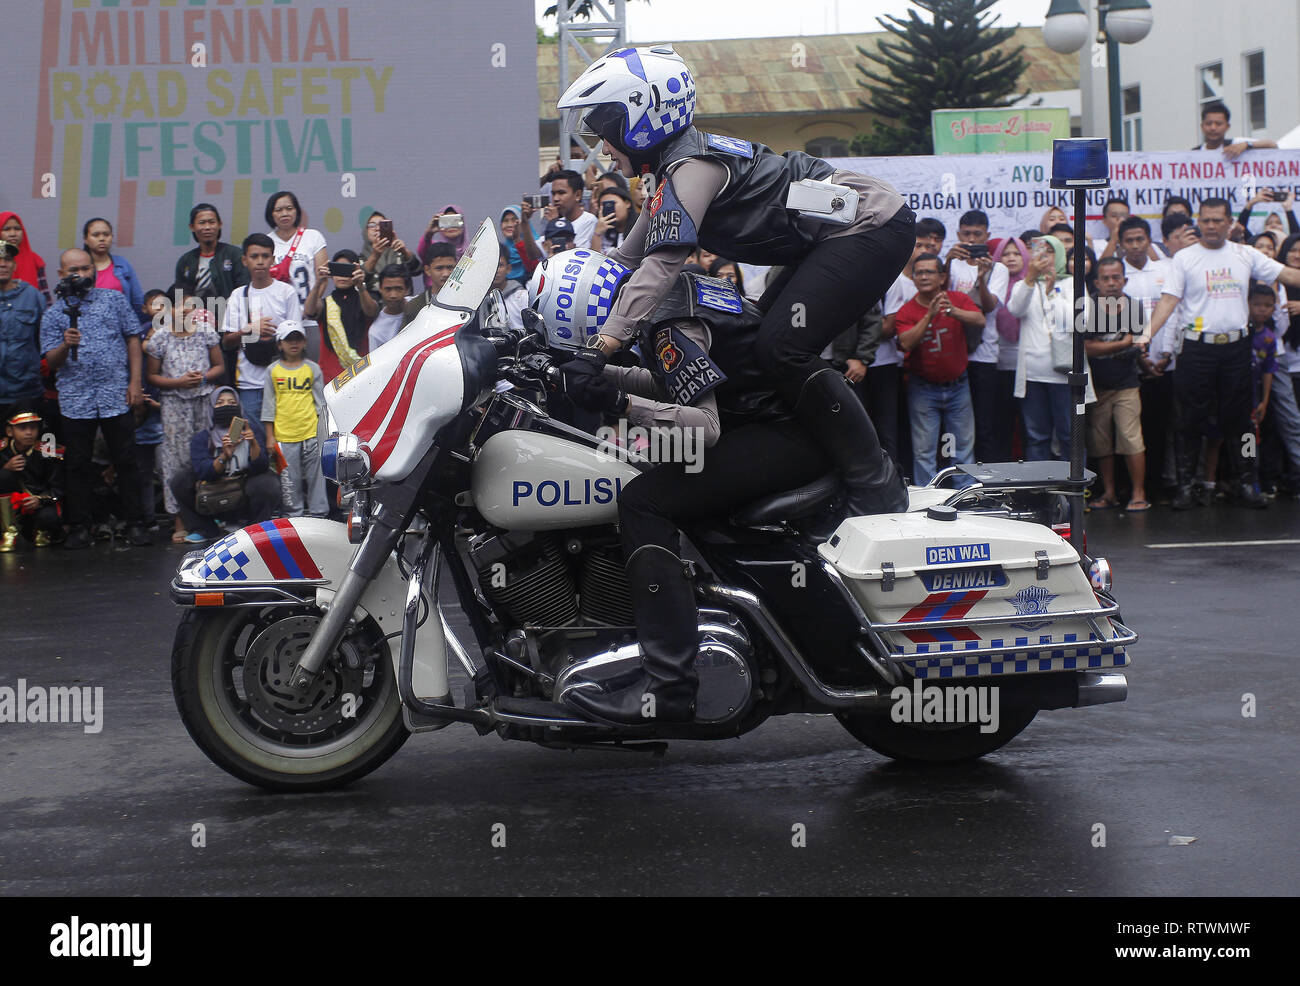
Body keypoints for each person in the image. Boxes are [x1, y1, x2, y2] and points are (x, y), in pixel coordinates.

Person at [557, 44, 913, 517]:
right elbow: (623, 260)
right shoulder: (670, 174)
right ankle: (806, 468)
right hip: (831, 237)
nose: (601, 147)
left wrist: (599, 349)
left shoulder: (692, 170)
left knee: (780, 349)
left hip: (872, 224)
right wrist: (554, 323)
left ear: (642, 118)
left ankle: (876, 484)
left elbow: (662, 263)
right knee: (761, 343)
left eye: (606, 131)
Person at [529, 250, 830, 725]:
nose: (593, 346)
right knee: (638, 465)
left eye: (584, 341)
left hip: (780, 434)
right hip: (769, 420)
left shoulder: (669, 325)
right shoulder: (668, 295)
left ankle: (669, 685)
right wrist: (588, 374)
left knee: (643, 501)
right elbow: (672, 382)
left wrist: (618, 402)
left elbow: (702, 427)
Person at [1147, 198, 1300, 509]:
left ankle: (1247, 483)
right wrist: (1145, 334)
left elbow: (1291, 276)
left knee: (1242, 421)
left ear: (1230, 222)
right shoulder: (1185, 257)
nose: (1212, 226)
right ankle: (1186, 487)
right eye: (1206, 220)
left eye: (1218, 220)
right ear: (1198, 222)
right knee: (1189, 420)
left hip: (1236, 348)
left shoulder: (1245, 254)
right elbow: (1168, 300)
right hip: (1196, 348)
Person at [39, 249, 150, 548]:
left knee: (126, 460)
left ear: (94, 271)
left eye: (86, 268)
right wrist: (65, 344)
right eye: (73, 269)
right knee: (77, 464)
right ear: (61, 274)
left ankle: (136, 523)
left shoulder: (114, 300)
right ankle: (79, 526)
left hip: (116, 392)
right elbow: (51, 360)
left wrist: (135, 382)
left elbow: (133, 337)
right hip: (76, 399)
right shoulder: (53, 313)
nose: (80, 274)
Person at [895, 254, 983, 484]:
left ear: (942, 277)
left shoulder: (957, 299)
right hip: (923, 389)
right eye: (919, 272)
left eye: (930, 272)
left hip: (958, 386)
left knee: (962, 448)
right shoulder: (907, 310)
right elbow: (905, 342)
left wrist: (952, 311)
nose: (924, 276)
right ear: (913, 278)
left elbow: (979, 319)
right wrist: (930, 316)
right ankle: (928, 503)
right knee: (924, 452)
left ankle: (964, 500)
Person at [145, 291, 224, 542]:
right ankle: (179, 520)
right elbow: (152, 377)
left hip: (203, 399)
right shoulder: (160, 338)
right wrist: (178, 382)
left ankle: (211, 514)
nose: (185, 311)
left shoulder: (205, 332)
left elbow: (220, 367)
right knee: (174, 459)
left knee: (206, 454)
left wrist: (202, 378)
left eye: (191, 306)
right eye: (180, 306)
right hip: (173, 403)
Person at [1006, 236, 1094, 461]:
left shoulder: (1074, 283)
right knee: (1037, 438)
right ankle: (1038, 496)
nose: (1043, 255)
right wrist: (1030, 278)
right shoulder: (1024, 283)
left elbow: (1077, 321)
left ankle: (1073, 495)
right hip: (1033, 378)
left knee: (1069, 436)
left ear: (1060, 254)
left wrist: (1052, 292)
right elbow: (1015, 309)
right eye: (1037, 250)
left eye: (1049, 251)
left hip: (1065, 377)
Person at [170, 386, 279, 543]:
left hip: (243, 491)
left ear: (239, 406)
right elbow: (204, 472)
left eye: (231, 402)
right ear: (211, 407)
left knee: (268, 483)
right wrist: (225, 455)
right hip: (214, 493)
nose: (226, 406)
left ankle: (254, 529)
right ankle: (204, 529)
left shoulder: (252, 430)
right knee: (180, 480)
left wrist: (253, 442)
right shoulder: (203, 438)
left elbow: (261, 466)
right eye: (220, 403)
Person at [1085, 257, 1148, 511]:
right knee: (1101, 442)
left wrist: (1146, 363)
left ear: (1125, 279)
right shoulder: (1087, 308)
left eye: (1116, 277)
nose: (1111, 283)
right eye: (1106, 278)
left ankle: (1138, 493)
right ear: (1097, 281)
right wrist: (1121, 344)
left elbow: (1140, 345)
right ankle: (1109, 493)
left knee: (1131, 439)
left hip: (1127, 384)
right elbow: (1087, 348)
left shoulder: (1135, 306)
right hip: (1097, 386)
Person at [946, 209, 1008, 465]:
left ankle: (986, 485)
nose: (971, 240)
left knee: (985, 423)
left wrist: (982, 278)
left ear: (987, 236)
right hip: (953, 352)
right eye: (967, 234)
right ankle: (953, 480)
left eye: (977, 235)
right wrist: (947, 261)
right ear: (959, 234)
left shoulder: (999, 269)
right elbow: (936, 299)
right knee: (953, 425)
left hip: (984, 354)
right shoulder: (950, 264)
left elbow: (990, 305)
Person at [220, 234, 303, 425]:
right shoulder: (237, 295)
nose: (260, 262)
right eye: (254, 256)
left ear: (273, 259)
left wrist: (279, 336)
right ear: (244, 260)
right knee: (255, 442)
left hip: (284, 381)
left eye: (265, 256)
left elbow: (298, 339)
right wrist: (248, 329)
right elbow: (226, 341)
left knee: (286, 441)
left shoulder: (286, 292)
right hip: (249, 383)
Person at [262, 320, 327, 519]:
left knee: (317, 477)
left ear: (305, 342)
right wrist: (270, 437)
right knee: (289, 479)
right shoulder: (272, 370)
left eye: (298, 338)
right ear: (279, 344)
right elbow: (268, 405)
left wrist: (323, 433)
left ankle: (319, 515)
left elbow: (321, 404)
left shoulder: (313, 369)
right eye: (288, 339)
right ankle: (293, 517)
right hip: (284, 434)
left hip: (310, 431)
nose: (293, 343)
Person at [265, 190, 328, 349]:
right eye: (278, 210)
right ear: (271, 214)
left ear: (297, 211)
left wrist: (308, 308)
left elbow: (323, 278)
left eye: (289, 208)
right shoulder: (267, 242)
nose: (284, 213)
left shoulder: (313, 236)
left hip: (309, 318)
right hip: (279, 320)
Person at [304, 249, 374, 381]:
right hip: (330, 379)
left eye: (347, 271)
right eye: (338, 270)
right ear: (332, 273)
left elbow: (372, 311)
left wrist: (361, 286)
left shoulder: (364, 299)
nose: (342, 276)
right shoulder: (325, 303)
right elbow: (309, 311)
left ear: (356, 271)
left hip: (361, 376)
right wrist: (319, 282)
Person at [0, 404, 64, 550]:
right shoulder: (2, 450)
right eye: (22, 428)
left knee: (48, 517)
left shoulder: (47, 452)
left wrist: (40, 500)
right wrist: (5, 468)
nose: (29, 433)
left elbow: (58, 487)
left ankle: (43, 531)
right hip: (10, 506)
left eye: (33, 428)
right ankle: (9, 533)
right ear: (10, 431)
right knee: (3, 476)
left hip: (38, 503)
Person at [990, 236, 1030, 462]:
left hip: (1027, 366)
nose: (1011, 258)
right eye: (1006, 254)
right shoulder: (992, 284)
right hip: (997, 363)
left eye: (1016, 253)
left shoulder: (1034, 284)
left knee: (1028, 425)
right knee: (1001, 423)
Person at [0, 241, 46, 411]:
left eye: (8, 259)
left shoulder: (32, 296)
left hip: (25, 392)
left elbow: (43, 341)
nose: (2, 264)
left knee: (27, 438)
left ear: (14, 265)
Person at [173, 203, 248, 302]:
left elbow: (244, 290)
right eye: (202, 222)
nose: (207, 227)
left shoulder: (235, 255)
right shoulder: (185, 261)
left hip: (228, 313)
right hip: (195, 315)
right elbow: (180, 294)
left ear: (219, 224)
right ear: (192, 227)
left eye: (212, 222)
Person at [82, 218, 145, 322]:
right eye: (96, 235)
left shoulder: (122, 264)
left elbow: (137, 300)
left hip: (120, 326)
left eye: (106, 235)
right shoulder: (80, 267)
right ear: (86, 239)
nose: (102, 239)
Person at [359, 211, 420, 294]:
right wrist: (375, 255)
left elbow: (417, 270)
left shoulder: (399, 251)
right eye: (372, 225)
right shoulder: (361, 258)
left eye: (381, 225)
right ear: (366, 231)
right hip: (375, 304)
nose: (377, 228)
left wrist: (404, 252)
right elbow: (361, 280)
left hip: (403, 303)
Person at [1193, 101, 1277, 159]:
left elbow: (1272, 145)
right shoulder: (1193, 154)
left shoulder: (1236, 144)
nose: (1213, 128)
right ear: (1202, 126)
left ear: (1227, 126)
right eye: (1209, 123)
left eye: (1218, 124)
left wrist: (1247, 145)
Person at [402, 243, 458, 329]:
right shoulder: (414, 307)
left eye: (450, 268)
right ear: (427, 270)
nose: (446, 274)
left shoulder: (469, 302)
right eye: (439, 268)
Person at [0, 212, 52, 305]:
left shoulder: (35, 260)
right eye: (6, 229)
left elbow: (45, 297)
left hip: (29, 315)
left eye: (17, 229)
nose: (13, 234)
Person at [541, 170, 597, 250]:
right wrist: (525, 222)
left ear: (578, 195)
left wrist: (555, 224)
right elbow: (535, 254)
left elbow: (574, 254)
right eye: (553, 194)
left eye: (561, 193)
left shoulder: (589, 221)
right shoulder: (558, 220)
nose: (555, 198)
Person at [417, 204, 469, 289]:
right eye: (446, 221)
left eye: (455, 220)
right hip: (434, 298)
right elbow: (422, 252)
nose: (451, 226)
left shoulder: (472, 251)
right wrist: (429, 233)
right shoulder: (433, 248)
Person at [368, 265, 414, 350]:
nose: (393, 295)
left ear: (407, 289)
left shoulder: (423, 307)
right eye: (388, 289)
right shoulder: (376, 331)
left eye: (398, 289)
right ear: (380, 289)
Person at [498, 206, 538, 285]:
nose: (509, 225)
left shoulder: (537, 247)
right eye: (506, 221)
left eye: (514, 220)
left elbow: (534, 268)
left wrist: (517, 240)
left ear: (523, 223)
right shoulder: (499, 251)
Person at [490, 254, 528, 331]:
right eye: (491, 265)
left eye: (500, 265)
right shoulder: (478, 302)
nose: (496, 270)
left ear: (508, 268)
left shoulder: (521, 297)